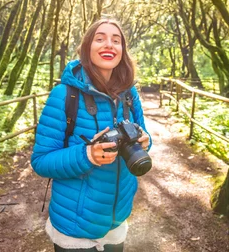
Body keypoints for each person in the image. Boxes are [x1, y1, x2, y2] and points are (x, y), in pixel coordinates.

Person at [31, 18, 152, 252]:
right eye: (100, 39)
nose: (109, 45)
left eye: (116, 41)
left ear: (122, 51)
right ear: (87, 47)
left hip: (116, 220)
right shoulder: (64, 95)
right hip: (75, 227)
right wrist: (88, 155)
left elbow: (144, 136)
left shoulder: (129, 93)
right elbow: (40, 161)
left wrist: (146, 142)